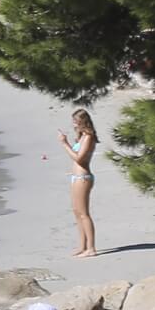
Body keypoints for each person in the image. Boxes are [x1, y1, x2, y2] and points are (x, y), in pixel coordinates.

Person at [60, 109, 99, 258]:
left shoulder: (89, 137)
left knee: (84, 213)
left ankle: (91, 247)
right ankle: (82, 246)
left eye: (76, 121)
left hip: (83, 178)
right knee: (77, 212)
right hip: (76, 177)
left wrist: (65, 144)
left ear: (83, 121)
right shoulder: (82, 136)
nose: (74, 124)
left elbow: (79, 159)